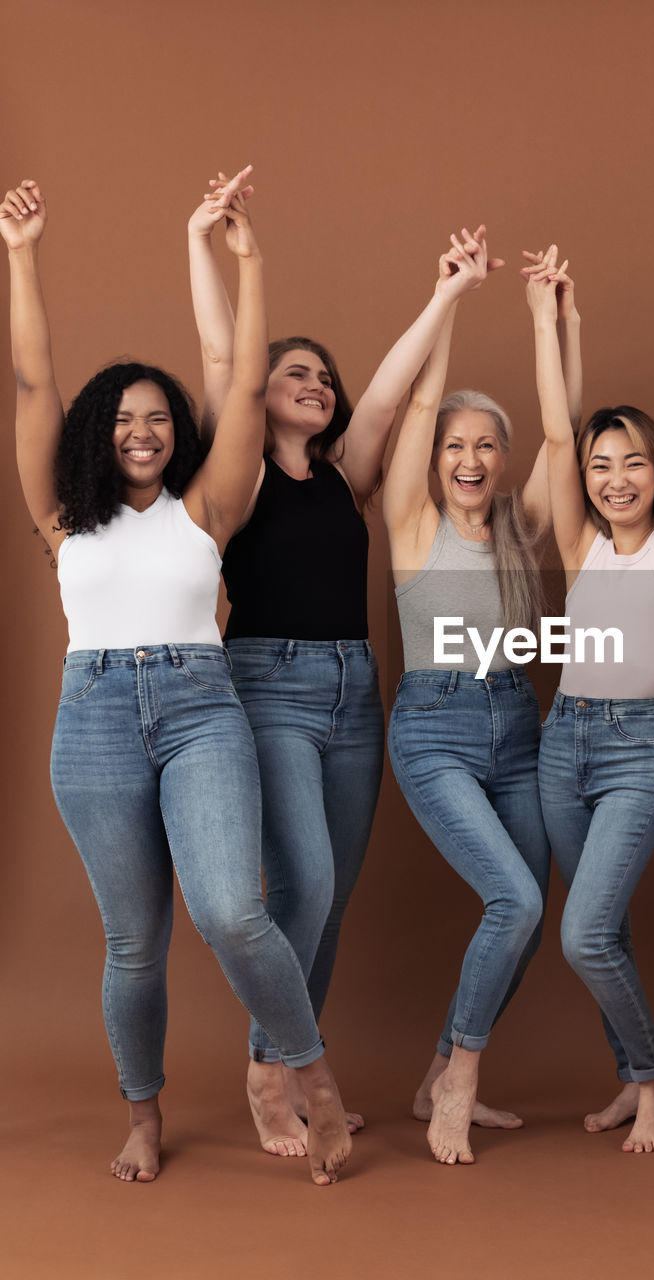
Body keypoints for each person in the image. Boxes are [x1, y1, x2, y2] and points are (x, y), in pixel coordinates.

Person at [2, 176, 351, 1186]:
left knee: (233, 910)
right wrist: (20, 253)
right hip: (95, 717)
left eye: (156, 416)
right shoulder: (62, 517)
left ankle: (309, 1071)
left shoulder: (208, 507)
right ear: (95, 434)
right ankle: (143, 1112)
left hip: (202, 708)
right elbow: (32, 381)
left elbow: (241, 385)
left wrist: (244, 257)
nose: (141, 430)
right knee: (134, 945)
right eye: (121, 417)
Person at [189, 172, 504, 1156]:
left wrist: (448, 290)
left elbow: (396, 386)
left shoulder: (344, 472)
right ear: (261, 393)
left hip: (353, 689)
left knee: (328, 901)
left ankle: (289, 1062)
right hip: (267, 683)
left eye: (323, 377)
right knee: (307, 888)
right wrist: (209, 246)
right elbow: (219, 356)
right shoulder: (233, 470)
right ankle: (270, 1065)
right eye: (295, 374)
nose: (315, 385)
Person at [382, 227, 573, 1166]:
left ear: (502, 458)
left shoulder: (519, 527)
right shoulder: (411, 523)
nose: (470, 457)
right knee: (515, 902)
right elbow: (421, 399)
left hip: (516, 723)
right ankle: (459, 1076)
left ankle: (432, 1075)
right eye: (456, 444)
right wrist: (453, 292)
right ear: (437, 457)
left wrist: (546, 319)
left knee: (531, 909)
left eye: (486, 444)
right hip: (434, 728)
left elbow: (564, 430)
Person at [526, 231, 654, 1154]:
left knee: (584, 931)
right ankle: (632, 1078)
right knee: (610, 931)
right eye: (603, 467)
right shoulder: (581, 545)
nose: (613, 478)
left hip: (640, 747)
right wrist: (548, 319)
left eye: (632, 463)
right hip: (561, 740)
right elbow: (558, 432)